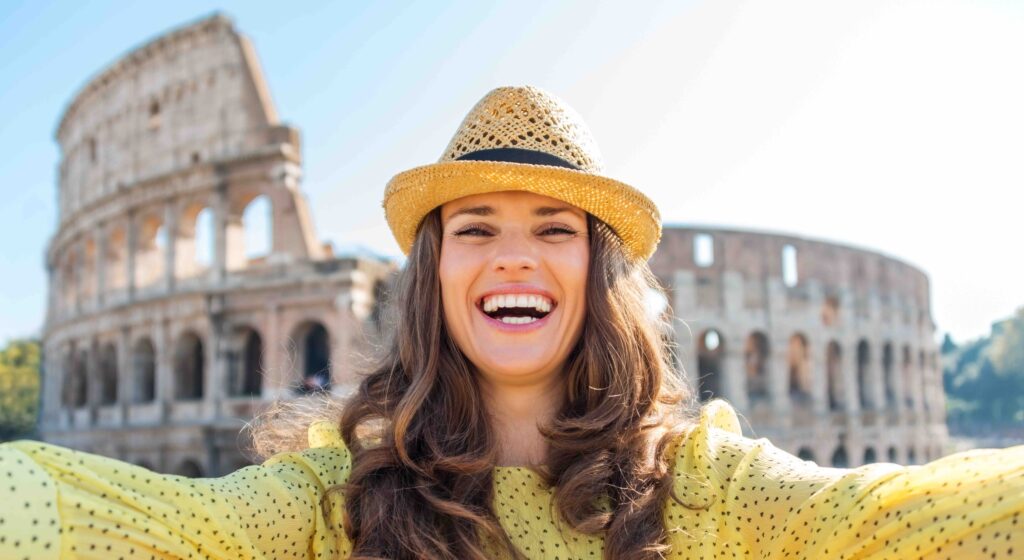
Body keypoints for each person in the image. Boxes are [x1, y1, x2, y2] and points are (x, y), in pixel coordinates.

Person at [1, 85, 1022, 560]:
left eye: (554, 228)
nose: (515, 256)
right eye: (476, 226)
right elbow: (93, 512)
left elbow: (903, 516)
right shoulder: (331, 503)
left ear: (597, 268)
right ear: (436, 271)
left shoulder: (710, 491)